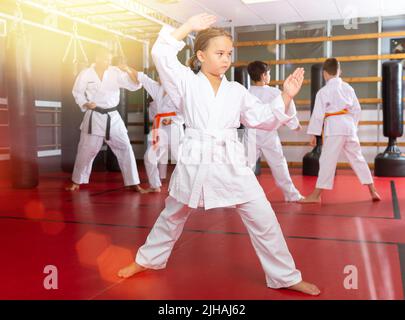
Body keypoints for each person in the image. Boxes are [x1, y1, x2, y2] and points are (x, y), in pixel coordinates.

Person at [118, 13, 320, 296]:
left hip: (230, 160)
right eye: (220, 53)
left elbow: (261, 118)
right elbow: (161, 53)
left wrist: (285, 96)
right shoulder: (185, 81)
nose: (226, 59)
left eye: (229, 54)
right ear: (200, 55)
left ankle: (285, 276)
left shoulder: (236, 90)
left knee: (263, 216)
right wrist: (188, 27)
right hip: (196, 156)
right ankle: (147, 260)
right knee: (172, 215)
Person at [300, 58, 381, 203]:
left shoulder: (323, 92)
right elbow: (357, 109)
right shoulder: (348, 88)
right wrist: (353, 126)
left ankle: (316, 195)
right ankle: (373, 190)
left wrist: (314, 135)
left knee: (326, 161)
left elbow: (318, 115)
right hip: (349, 126)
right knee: (358, 158)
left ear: (324, 73)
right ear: (339, 71)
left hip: (334, 128)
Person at [66, 47, 145, 193]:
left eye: (109, 59)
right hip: (93, 116)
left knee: (125, 148)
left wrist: (126, 68)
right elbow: (77, 92)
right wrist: (84, 103)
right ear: (97, 58)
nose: (108, 62)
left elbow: (135, 86)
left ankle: (133, 182)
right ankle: (76, 181)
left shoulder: (115, 72)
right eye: (105, 59)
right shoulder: (86, 73)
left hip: (113, 117)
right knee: (85, 150)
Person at [244, 60, 304, 202]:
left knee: (246, 166)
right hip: (268, 134)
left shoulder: (246, 93)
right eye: (269, 73)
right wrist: (295, 124)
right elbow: (287, 106)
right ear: (264, 76)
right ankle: (292, 195)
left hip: (250, 133)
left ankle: (236, 196)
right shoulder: (274, 92)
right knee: (279, 164)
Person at [136, 71, 184, 193]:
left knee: (180, 158)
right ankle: (155, 185)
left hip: (174, 129)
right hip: (159, 128)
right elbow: (143, 78)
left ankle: (188, 187)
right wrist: (125, 68)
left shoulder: (179, 91)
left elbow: (187, 111)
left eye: (162, 75)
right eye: (159, 75)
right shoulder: (157, 89)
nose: (159, 77)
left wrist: (173, 120)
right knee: (149, 156)